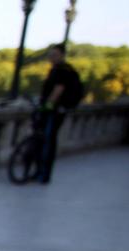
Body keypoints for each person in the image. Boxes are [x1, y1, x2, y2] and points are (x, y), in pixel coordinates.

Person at [35, 44, 85, 184]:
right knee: (46, 139)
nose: (51, 58)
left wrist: (47, 106)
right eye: (50, 55)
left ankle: (44, 173)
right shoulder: (58, 69)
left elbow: (58, 90)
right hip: (55, 110)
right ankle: (40, 170)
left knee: (48, 140)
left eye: (54, 55)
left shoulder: (62, 71)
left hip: (55, 111)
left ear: (62, 55)